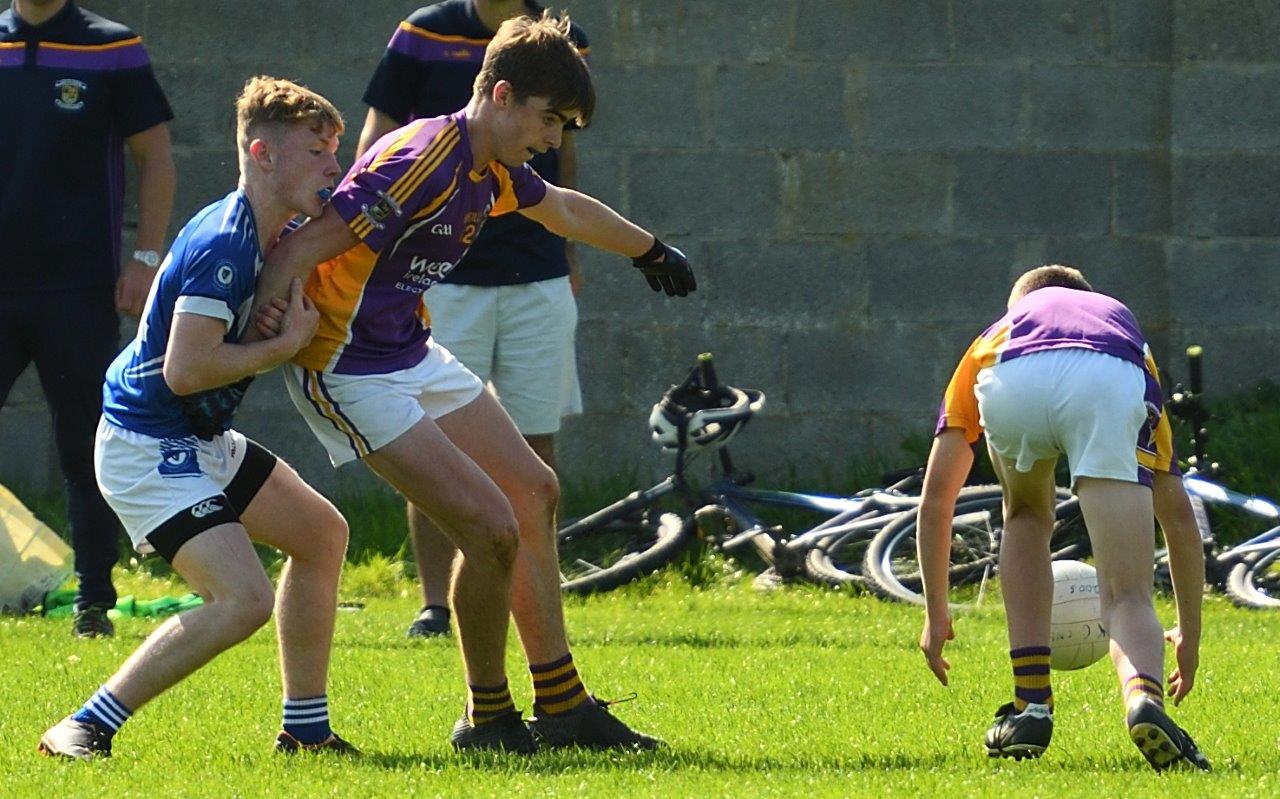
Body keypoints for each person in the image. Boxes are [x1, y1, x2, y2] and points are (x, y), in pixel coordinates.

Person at [249, 13, 692, 753]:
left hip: (408, 352)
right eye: (549, 121)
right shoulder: (425, 157)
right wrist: (262, 324)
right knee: (490, 528)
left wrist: (649, 249)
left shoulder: (486, 165)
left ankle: (562, 706)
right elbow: (308, 242)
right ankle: (487, 718)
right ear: (502, 95)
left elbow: (561, 209)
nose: (553, 140)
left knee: (535, 489)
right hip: (345, 366)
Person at [38, 76, 355, 760]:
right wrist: (279, 346)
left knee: (322, 534)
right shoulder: (225, 243)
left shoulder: (276, 231)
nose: (334, 164)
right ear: (263, 154)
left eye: (336, 148)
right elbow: (186, 370)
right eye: (316, 150)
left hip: (195, 436)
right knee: (242, 599)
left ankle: (305, 731)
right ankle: (85, 724)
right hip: (146, 443)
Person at [916, 264, 1210, 772]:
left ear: (1020, 303)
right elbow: (1179, 518)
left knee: (1025, 514)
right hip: (1108, 375)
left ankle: (1030, 706)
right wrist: (1189, 633)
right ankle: (1144, 699)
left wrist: (936, 613)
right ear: (1086, 298)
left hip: (1012, 374)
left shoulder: (996, 332)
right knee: (1128, 593)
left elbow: (938, 499)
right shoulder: (1123, 332)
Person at [357, 0, 589, 639]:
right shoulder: (422, 30)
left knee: (534, 456)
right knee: (429, 443)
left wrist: (574, 250)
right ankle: (436, 603)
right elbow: (375, 143)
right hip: (438, 278)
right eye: (544, 119)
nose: (550, 134)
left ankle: (534, 599)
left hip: (535, 269)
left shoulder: (558, 38)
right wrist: (366, 249)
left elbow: (562, 169)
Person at [0, 0, 175, 637]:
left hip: (78, 288)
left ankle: (93, 599)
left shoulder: (111, 46)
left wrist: (146, 258)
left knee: (84, 446)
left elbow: (155, 159)